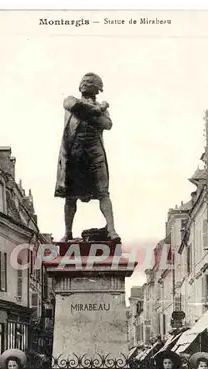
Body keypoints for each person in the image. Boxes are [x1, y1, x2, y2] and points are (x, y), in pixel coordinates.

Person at [54, 72, 120, 243]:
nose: (85, 84)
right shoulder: (70, 100)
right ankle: (68, 232)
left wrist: (93, 112)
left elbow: (107, 124)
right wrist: (99, 109)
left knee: (103, 192)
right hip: (74, 154)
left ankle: (112, 230)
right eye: (84, 81)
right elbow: (75, 106)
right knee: (70, 196)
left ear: (96, 89)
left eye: (89, 82)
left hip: (94, 153)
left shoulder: (97, 110)